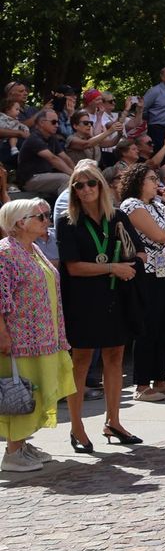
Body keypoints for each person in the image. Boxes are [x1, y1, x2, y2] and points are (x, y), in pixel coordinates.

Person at [57, 162, 142, 452]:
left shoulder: (116, 216)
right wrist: (113, 268)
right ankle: (76, 426)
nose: (85, 189)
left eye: (90, 183)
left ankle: (114, 420)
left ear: (100, 186)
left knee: (115, 356)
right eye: (78, 185)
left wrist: (129, 263)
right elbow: (74, 268)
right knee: (81, 360)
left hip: (116, 296)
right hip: (84, 299)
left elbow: (139, 249)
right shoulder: (68, 221)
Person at [0, 199, 76, 472]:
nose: (47, 220)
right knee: (22, 393)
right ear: (20, 222)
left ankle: (20, 445)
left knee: (37, 391)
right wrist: (2, 334)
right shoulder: (5, 253)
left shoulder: (33, 250)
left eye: (46, 215)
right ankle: (12, 452)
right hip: (21, 340)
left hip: (44, 335)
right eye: (40, 216)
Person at [118, 164, 165, 403]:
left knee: (164, 326)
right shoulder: (132, 205)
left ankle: (160, 379)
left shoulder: (158, 204)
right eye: (151, 178)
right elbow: (160, 235)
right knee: (148, 326)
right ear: (138, 181)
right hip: (147, 273)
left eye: (157, 178)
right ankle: (142, 383)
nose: (156, 183)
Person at [16, 109, 73, 199]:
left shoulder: (52, 138)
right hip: (30, 180)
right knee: (65, 179)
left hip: (45, 177)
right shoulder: (34, 139)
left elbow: (65, 158)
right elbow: (53, 158)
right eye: (54, 122)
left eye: (57, 122)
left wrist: (78, 173)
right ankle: (64, 211)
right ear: (42, 123)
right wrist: (73, 174)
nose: (57, 125)